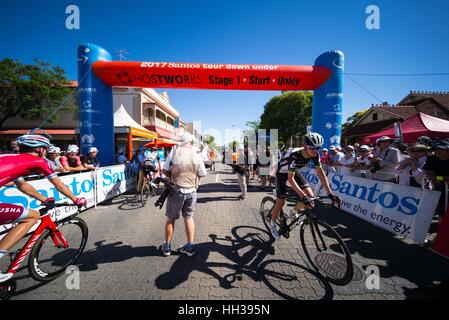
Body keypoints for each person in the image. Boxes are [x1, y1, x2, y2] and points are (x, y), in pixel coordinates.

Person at [0, 133, 86, 282]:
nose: (46, 151)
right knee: (32, 217)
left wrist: (44, 199)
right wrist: (76, 199)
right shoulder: (40, 161)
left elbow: (22, 185)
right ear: (40, 150)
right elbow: (58, 184)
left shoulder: (8, 157)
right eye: (46, 148)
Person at [269, 132, 340, 240]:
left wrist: (330, 193)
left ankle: (293, 211)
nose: (316, 151)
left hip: (293, 172)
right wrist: (303, 196)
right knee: (281, 201)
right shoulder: (294, 154)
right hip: (281, 173)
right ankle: (272, 223)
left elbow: (321, 173)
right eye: (313, 148)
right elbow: (290, 179)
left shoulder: (315, 154)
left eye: (318, 148)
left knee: (310, 200)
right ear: (305, 146)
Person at [160, 133, 206, 257]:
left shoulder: (174, 151)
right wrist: (196, 182)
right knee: (189, 218)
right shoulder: (196, 154)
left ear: (181, 142)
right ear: (190, 142)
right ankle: (190, 246)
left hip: (176, 190)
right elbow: (202, 172)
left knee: (171, 218)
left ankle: (167, 247)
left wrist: (172, 176)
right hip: (192, 191)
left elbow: (164, 170)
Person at [423, 140, 449, 220]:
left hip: (442, 185)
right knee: (442, 210)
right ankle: (441, 230)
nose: (436, 151)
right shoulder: (431, 159)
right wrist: (441, 178)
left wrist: (438, 177)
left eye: (440, 149)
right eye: (434, 149)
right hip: (440, 187)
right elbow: (428, 174)